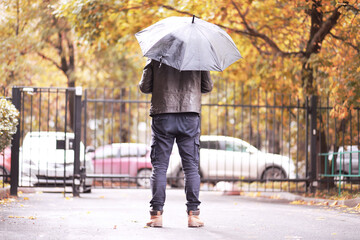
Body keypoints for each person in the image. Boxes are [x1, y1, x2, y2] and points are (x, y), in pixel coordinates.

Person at [139, 58, 213, 228]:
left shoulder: (157, 55)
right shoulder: (198, 56)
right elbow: (207, 87)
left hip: (163, 113)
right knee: (191, 167)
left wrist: (149, 64)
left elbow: (144, 87)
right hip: (189, 115)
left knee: (159, 167)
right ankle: (193, 216)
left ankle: (156, 216)